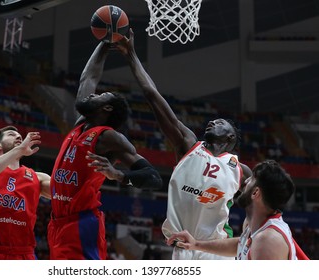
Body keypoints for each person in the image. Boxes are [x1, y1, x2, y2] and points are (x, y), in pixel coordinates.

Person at [116, 29, 252, 260]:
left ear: (230, 138)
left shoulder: (240, 169)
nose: (212, 122)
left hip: (216, 251)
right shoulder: (188, 144)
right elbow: (152, 95)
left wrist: (251, 229)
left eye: (220, 123)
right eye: (212, 119)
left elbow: (261, 202)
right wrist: (131, 55)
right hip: (181, 248)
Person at [47, 41, 163, 260]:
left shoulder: (108, 137)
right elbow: (88, 78)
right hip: (57, 222)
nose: (92, 95)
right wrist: (104, 43)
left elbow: (154, 178)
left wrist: (118, 174)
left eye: (100, 96)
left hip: (81, 224)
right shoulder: (80, 125)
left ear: (107, 108)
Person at [166, 160, 310, 260]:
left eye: (251, 180)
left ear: (255, 193)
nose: (245, 182)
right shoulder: (252, 224)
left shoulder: (268, 240)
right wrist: (196, 244)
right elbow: (240, 244)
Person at [0, 126, 51, 260]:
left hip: (25, 254)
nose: (19, 137)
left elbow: (65, 191)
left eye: (20, 136)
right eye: (11, 134)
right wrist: (19, 149)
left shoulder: (37, 177)